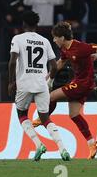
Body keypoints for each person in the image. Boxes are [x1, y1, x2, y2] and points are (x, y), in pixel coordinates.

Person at [32, 22, 97, 159]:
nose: (54, 40)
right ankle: (92, 143)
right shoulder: (65, 49)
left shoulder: (80, 48)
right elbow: (61, 61)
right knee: (74, 115)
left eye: (55, 38)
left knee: (50, 97)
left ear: (62, 37)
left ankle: (42, 118)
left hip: (83, 84)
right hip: (80, 83)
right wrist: (49, 75)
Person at [8, 11, 70, 161]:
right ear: (36, 25)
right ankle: (63, 149)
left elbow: (12, 61)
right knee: (45, 118)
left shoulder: (18, 38)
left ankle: (38, 145)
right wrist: (49, 82)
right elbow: (54, 66)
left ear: (23, 24)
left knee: (22, 114)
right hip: (41, 84)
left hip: (24, 83)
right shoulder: (45, 41)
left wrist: (11, 82)